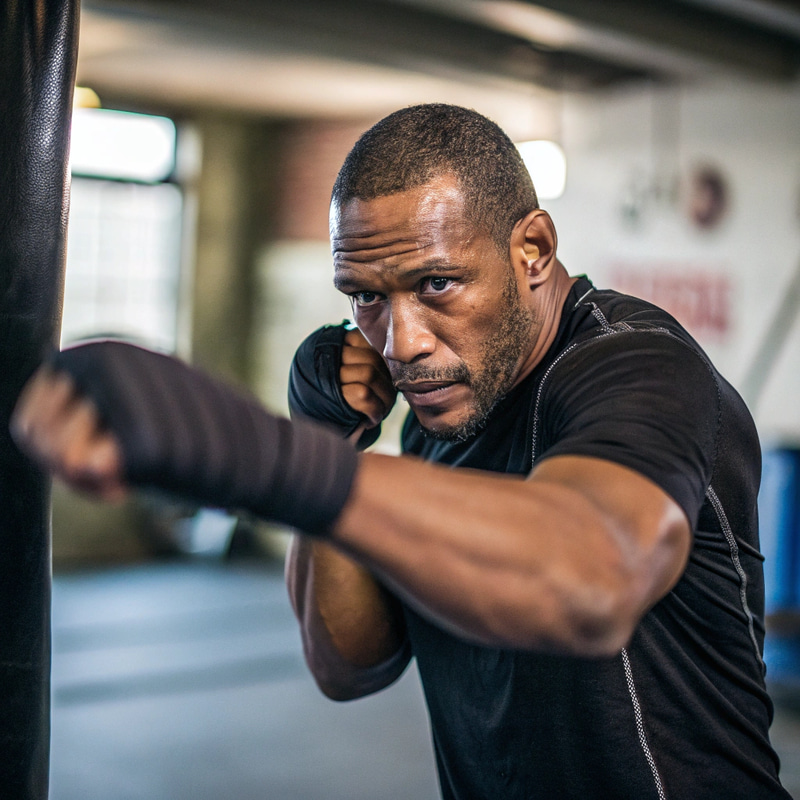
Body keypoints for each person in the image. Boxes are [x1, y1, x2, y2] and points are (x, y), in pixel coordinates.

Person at [10, 104, 790, 799]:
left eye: (437, 283)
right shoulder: (438, 413)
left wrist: (272, 457)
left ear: (533, 249)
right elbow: (348, 663)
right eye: (366, 297)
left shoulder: (636, 367)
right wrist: (328, 437)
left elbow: (594, 577)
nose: (400, 344)